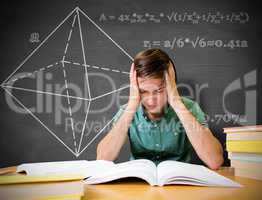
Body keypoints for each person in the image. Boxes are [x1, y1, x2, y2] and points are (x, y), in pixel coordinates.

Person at [96, 48, 224, 170]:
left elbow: (214, 161)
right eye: (144, 91)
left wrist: (176, 101)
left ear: (171, 85)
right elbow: (102, 159)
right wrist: (132, 105)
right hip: (138, 185)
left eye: (158, 91)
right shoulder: (128, 111)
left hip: (180, 185)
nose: (151, 101)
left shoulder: (189, 108)